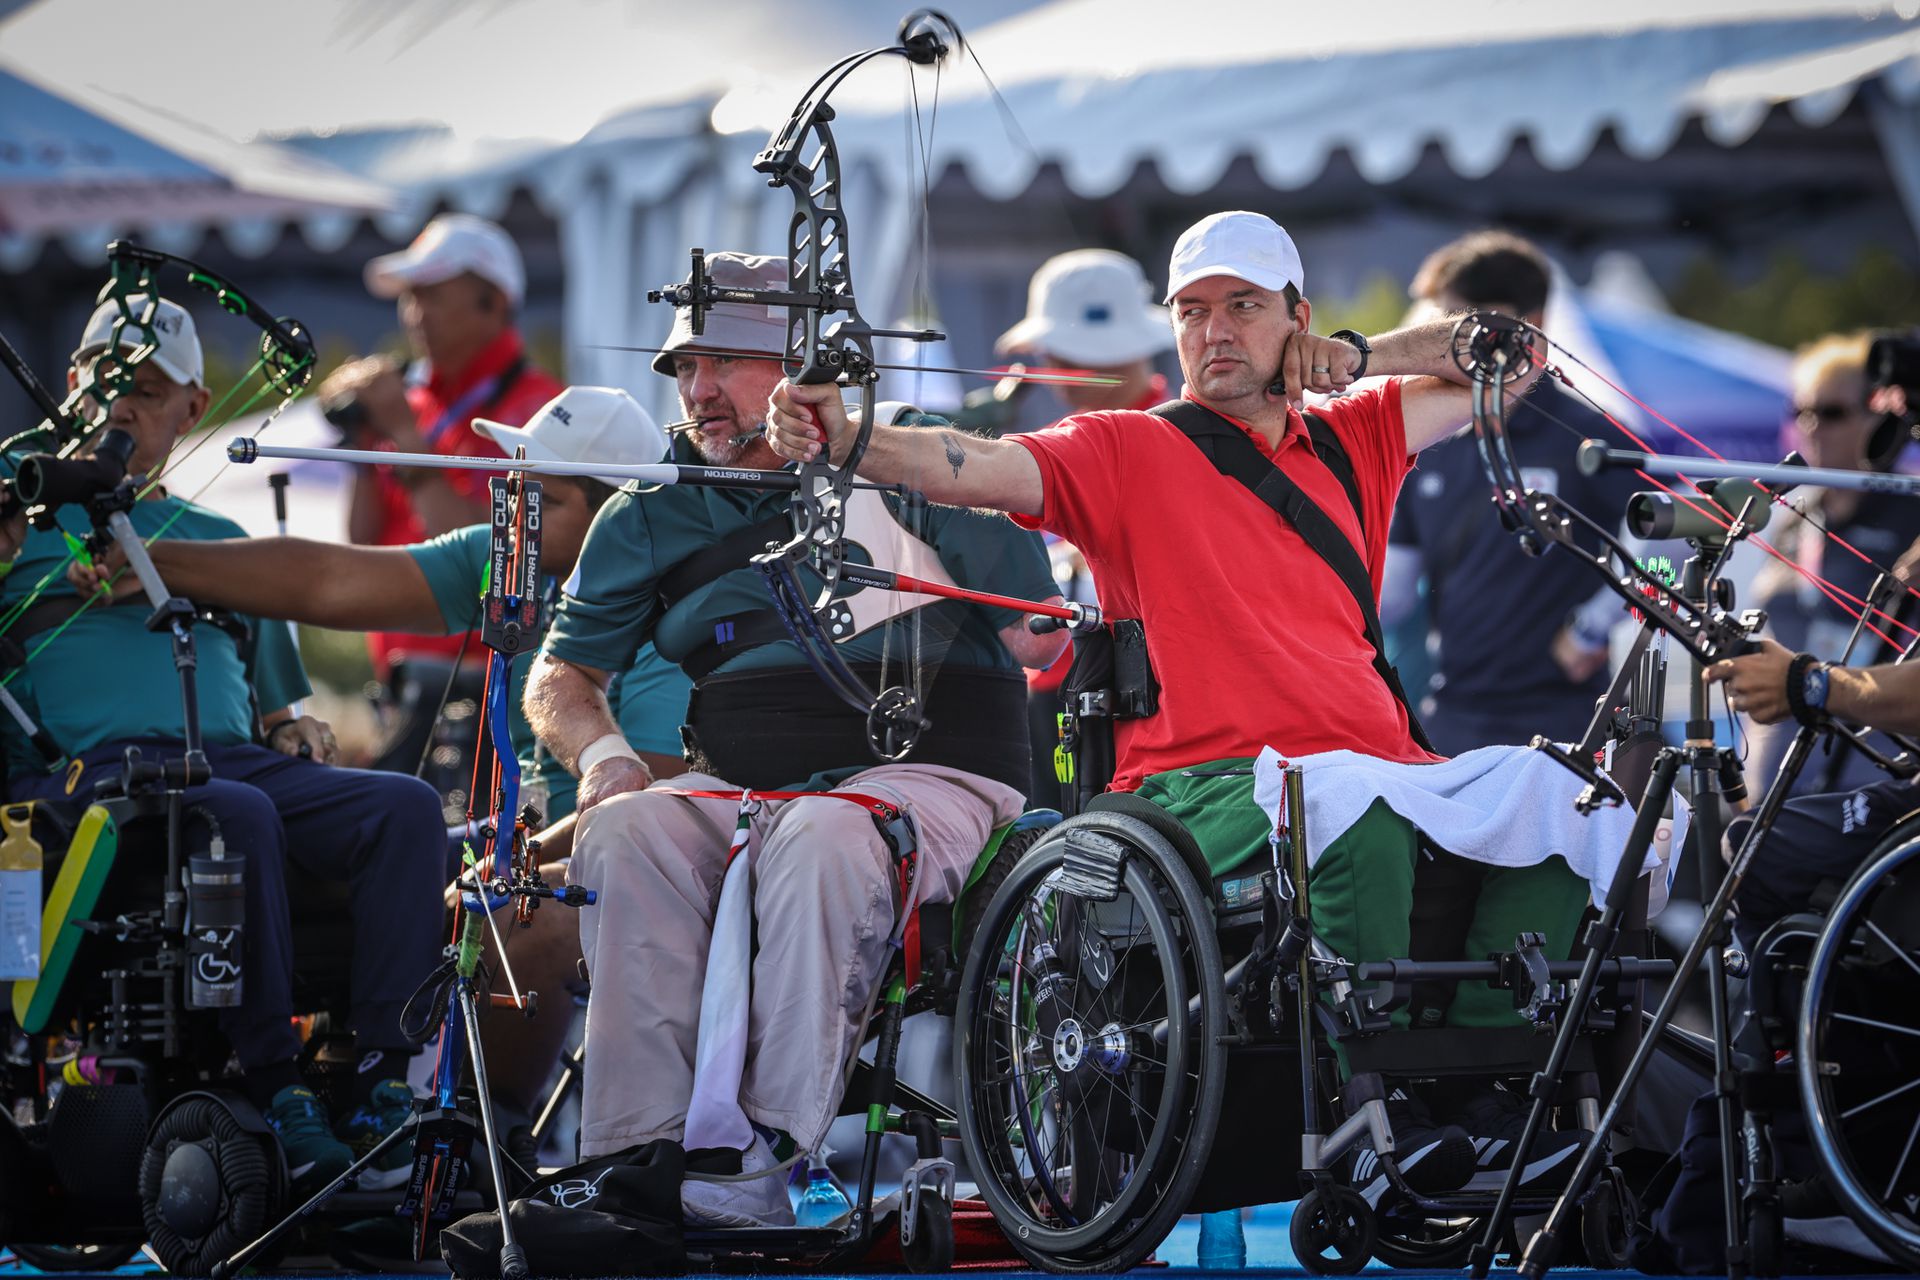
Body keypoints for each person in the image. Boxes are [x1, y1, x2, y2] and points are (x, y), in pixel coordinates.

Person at [770, 211, 1643, 1198]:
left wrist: (1355, 356)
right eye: (1192, 311)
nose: (1214, 331)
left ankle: (1490, 1102)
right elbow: (968, 464)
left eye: (1243, 306)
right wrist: (847, 434)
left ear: (1297, 318)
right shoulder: (1125, 444)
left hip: (1377, 771)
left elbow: (1512, 354)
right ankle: (1378, 1105)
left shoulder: (1357, 428)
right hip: (1206, 787)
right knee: (1351, 799)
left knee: (1565, 795)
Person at [522, 251, 1065, 1227]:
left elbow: (1042, 637)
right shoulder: (648, 509)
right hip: (746, 792)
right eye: (685, 369)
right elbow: (563, 676)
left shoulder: (909, 457)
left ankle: (746, 1172)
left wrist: (959, 491)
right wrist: (604, 759)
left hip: (932, 777)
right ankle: (635, 1167)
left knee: (824, 831)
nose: (697, 392)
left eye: (726, 363)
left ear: (805, 368)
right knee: (629, 831)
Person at [0, 297, 447, 1196]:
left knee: (408, 807)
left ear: (191, 410)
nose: (123, 405)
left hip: (227, 765)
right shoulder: (21, 516)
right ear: (75, 390)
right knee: (231, 813)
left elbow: (277, 710)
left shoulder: (222, 543)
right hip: (88, 783)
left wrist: (293, 727)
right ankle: (274, 1085)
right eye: (105, 383)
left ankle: (382, 1084)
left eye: (149, 390)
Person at [1383, 230, 1642, 755]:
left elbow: (1675, 542)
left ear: (1530, 321)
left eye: (1462, 319)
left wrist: (1594, 626)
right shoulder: (1427, 443)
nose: (1444, 339)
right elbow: (1386, 599)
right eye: (1439, 320)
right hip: (1451, 715)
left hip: (1568, 719)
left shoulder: (1586, 433)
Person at [326, 213, 565, 768]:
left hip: (490, 695)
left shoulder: (542, 412)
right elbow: (363, 541)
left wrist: (405, 436)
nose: (415, 314)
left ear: (493, 303)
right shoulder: (412, 402)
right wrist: (365, 443)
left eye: (432, 295)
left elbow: (480, 548)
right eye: (410, 297)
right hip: (401, 682)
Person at [990, 249, 1175, 801]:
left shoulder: (1183, 440)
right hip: (1056, 696)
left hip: (1143, 698)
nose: (1045, 369)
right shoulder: (1057, 445)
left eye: (1054, 354)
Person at [1744, 332, 1920, 792]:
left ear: (1882, 415)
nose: (1813, 426)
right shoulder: (1791, 518)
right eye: (1802, 411)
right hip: (1780, 772)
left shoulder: (1913, 514)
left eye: (1832, 412)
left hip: (1875, 777)